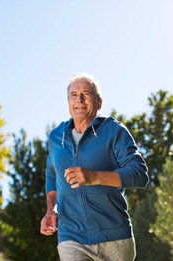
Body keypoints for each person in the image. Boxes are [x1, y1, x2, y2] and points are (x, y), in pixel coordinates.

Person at [40, 72, 149, 261]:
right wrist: (52, 210)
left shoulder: (114, 131)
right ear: (68, 102)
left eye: (86, 94)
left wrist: (94, 177)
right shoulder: (57, 138)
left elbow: (140, 174)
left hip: (115, 237)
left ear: (99, 102)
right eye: (74, 95)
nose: (79, 100)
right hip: (71, 237)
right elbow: (52, 175)